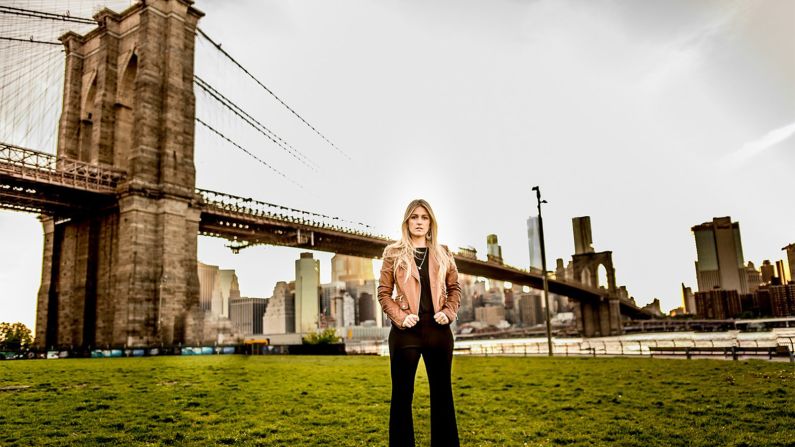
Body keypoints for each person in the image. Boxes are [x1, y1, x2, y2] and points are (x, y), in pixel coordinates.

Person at [378, 199, 461, 447]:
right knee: (402, 396)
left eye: (424, 217)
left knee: (443, 395)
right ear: (407, 221)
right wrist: (401, 317)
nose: (419, 222)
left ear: (431, 222)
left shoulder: (444, 252)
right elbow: (383, 292)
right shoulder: (392, 253)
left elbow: (455, 288)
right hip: (406, 332)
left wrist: (448, 311)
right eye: (414, 217)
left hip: (439, 331)